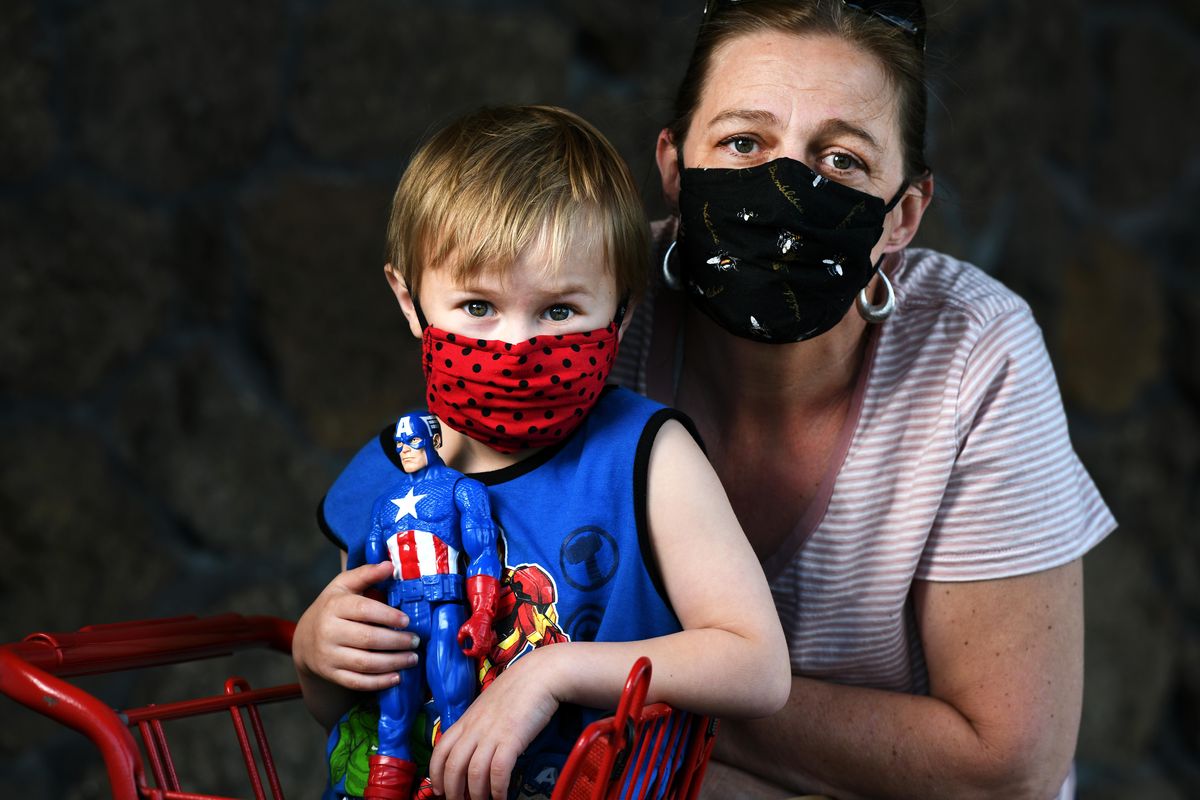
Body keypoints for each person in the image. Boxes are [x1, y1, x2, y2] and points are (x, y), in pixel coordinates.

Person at [608, 1, 1117, 798]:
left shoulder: (974, 351)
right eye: (743, 142)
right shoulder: (591, 311)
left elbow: (1006, 768)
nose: (786, 186)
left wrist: (631, 689)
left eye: (842, 160)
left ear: (902, 216)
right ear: (674, 168)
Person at [293, 104, 791, 800]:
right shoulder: (381, 477)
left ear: (620, 314)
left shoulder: (646, 458)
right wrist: (315, 656)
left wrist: (550, 673)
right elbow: (351, 715)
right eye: (477, 307)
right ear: (409, 302)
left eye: (559, 311)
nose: (516, 346)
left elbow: (758, 667)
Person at [359, 412, 501, 797]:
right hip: (399, 613)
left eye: (414, 441)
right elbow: (374, 572)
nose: (406, 450)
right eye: (400, 444)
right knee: (392, 716)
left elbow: (483, 554)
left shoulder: (461, 489)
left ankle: (454, 790)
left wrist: (483, 613)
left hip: (445, 606)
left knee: (455, 706)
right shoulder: (384, 504)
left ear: (433, 440)